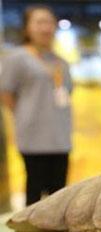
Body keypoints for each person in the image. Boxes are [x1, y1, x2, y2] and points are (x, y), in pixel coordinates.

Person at [0, 5, 72, 206]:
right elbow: (5, 93)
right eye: (39, 22)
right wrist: (24, 115)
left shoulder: (61, 61)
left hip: (60, 138)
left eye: (49, 22)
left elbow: (66, 95)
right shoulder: (17, 58)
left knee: (59, 198)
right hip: (33, 139)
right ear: (27, 28)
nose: (46, 28)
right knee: (34, 194)